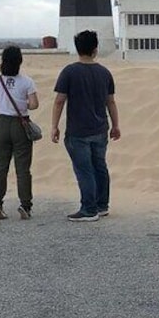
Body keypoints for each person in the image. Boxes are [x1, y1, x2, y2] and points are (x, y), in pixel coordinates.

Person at [51, 30, 121, 221]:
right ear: (95, 50)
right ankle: (102, 205)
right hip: (100, 129)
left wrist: (54, 126)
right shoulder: (104, 73)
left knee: (84, 169)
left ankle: (89, 209)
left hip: (78, 131)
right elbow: (111, 102)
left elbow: (59, 101)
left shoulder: (69, 71)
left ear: (77, 48)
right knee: (100, 166)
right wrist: (116, 125)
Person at [0, 46, 39, 220]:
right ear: (20, 61)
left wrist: (4, 102)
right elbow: (34, 104)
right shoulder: (27, 81)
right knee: (23, 168)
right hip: (20, 124)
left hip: (1, 123)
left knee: (0, 167)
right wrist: (22, 102)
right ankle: (25, 206)